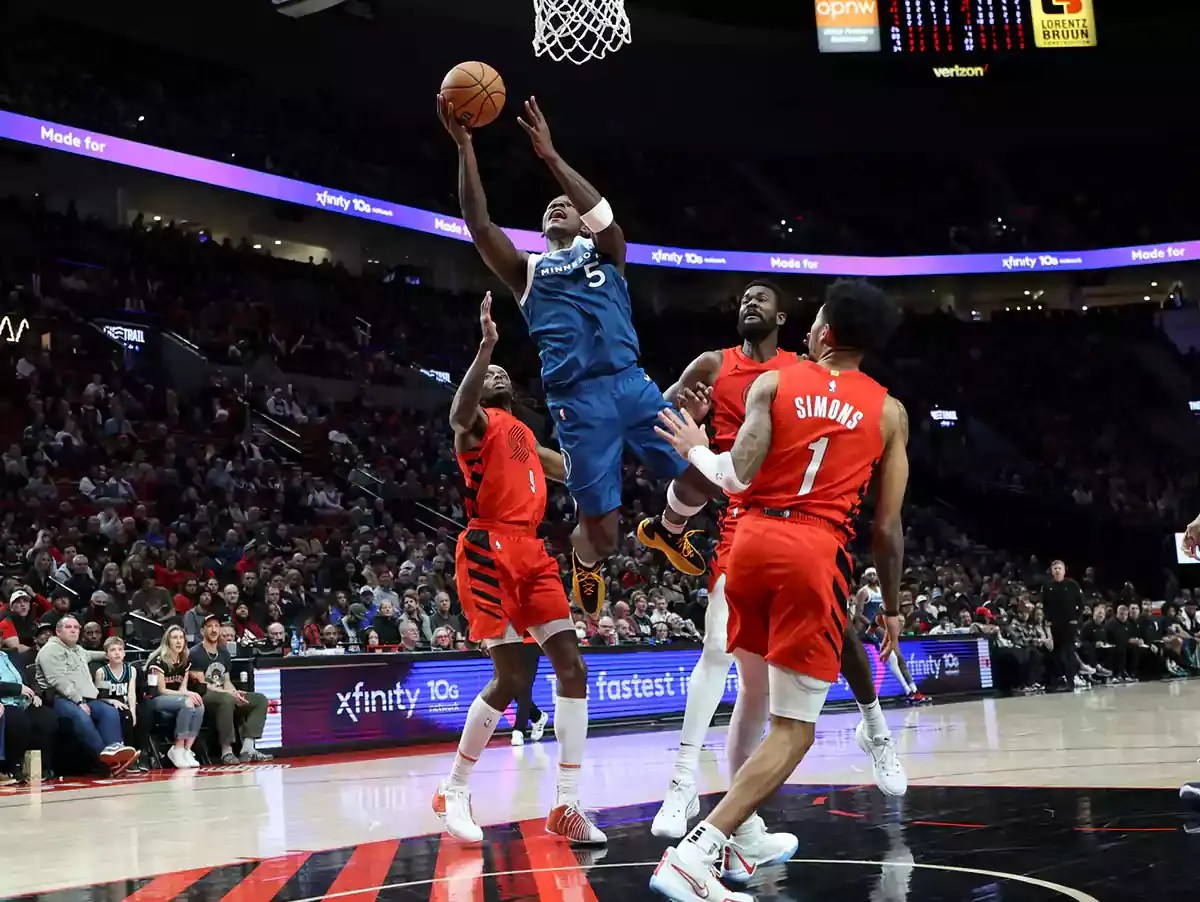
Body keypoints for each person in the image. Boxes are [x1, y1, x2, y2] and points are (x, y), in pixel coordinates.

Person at [650, 278, 906, 900]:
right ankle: (698, 852)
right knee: (795, 728)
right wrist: (892, 608)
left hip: (751, 545)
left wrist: (696, 447)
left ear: (820, 333)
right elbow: (887, 528)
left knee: (752, 694)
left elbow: (735, 477)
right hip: (813, 548)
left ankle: (737, 838)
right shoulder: (889, 412)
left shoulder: (773, 382)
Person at [436, 95, 712, 616]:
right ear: (541, 232)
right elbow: (479, 225)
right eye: (547, 209)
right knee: (602, 538)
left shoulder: (608, 250)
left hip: (631, 384)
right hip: (578, 403)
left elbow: (606, 218)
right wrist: (465, 148)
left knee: (703, 475)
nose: (555, 205)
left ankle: (666, 529)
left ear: (582, 224)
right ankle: (585, 563)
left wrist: (552, 159)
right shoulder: (528, 271)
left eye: (564, 204)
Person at [433, 293, 604, 845]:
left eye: (502, 368)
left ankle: (568, 805)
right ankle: (454, 787)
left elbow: (580, 471)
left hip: (532, 552)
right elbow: (459, 412)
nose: (498, 373)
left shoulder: (526, 436)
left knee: (573, 669)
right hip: (487, 548)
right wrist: (485, 345)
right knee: (512, 678)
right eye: (488, 372)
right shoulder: (475, 427)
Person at [35, 615, 139, 774]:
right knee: (81, 716)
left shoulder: (77, 649)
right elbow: (58, 680)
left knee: (109, 711)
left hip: (87, 698)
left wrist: (113, 653)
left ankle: (116, 753)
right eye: (69, 627)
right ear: (58, 631)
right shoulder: (50, 650)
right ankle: (105, 762)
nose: (73, 630)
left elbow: (93, 654)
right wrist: (78, 701)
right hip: (59, 698)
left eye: (76, 627)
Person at [188, 614, 273, 765]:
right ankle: (226, 751)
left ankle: (248, 749)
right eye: (209, 627)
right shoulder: (195, 653)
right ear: (202, 631)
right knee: (226, 700)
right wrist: (229, 694)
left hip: (224, 693)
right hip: (203, 696)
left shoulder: (224, 653)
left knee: (259, 699)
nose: (214, 630)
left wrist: (235, 692)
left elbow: (226, 681)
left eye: (216, 626)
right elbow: (203, 684)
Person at [854, 568, 929, 706]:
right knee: (893, 658)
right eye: (869, 574)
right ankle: (909, 691)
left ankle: (914, 690)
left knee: (899, 658)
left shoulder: (881, 590)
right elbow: (858, 615)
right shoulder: (863, 592)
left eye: (874, 574)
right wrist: (873, 625)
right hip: (874, 628)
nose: (872, 576)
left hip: (885, 625)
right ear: (865, 576)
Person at [146, 625, 205, 768]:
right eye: (174, 638)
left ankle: (186, 749)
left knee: (199, 704)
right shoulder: (159, 661)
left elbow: (182, 688)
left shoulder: (184, 661)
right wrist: (186, 695)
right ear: (168, 641)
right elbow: (161, 690)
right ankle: (177, 748)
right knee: (187, 702)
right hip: (154, 699)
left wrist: (188, 693)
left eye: (181, 638)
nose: (179, 641)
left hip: (175, 698)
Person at [93, 636, 149, 773]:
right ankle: (126, 758)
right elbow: (100, 697)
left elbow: (131, 693)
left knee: (143, 715)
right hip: (110, 705)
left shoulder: (131, 670)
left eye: (120, 649)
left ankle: (142, 755)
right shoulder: (102, 672)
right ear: (107, 655)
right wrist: (113, 701)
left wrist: (134, 711)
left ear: (124, 653)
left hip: (126, 703)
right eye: (113, 650)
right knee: (126, 717)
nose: (117, 653)